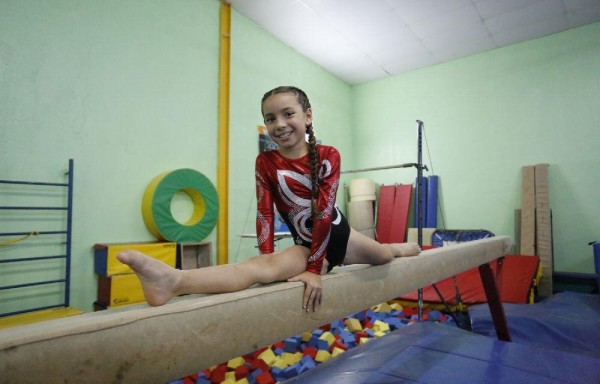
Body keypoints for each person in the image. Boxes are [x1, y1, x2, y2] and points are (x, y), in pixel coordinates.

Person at [117, 86, 421, 312]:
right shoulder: (266, 162)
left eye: (288, 114)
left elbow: (325, 215)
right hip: (307, 247)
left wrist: (314, 271)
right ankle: (173, 281)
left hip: (340, 236)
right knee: (255, 268)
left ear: (308, 115)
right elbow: (265, 214)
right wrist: (267, 258)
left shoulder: (328, 155)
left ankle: (398, 247)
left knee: (383, 256)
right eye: (270, 117)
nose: (279, 123)